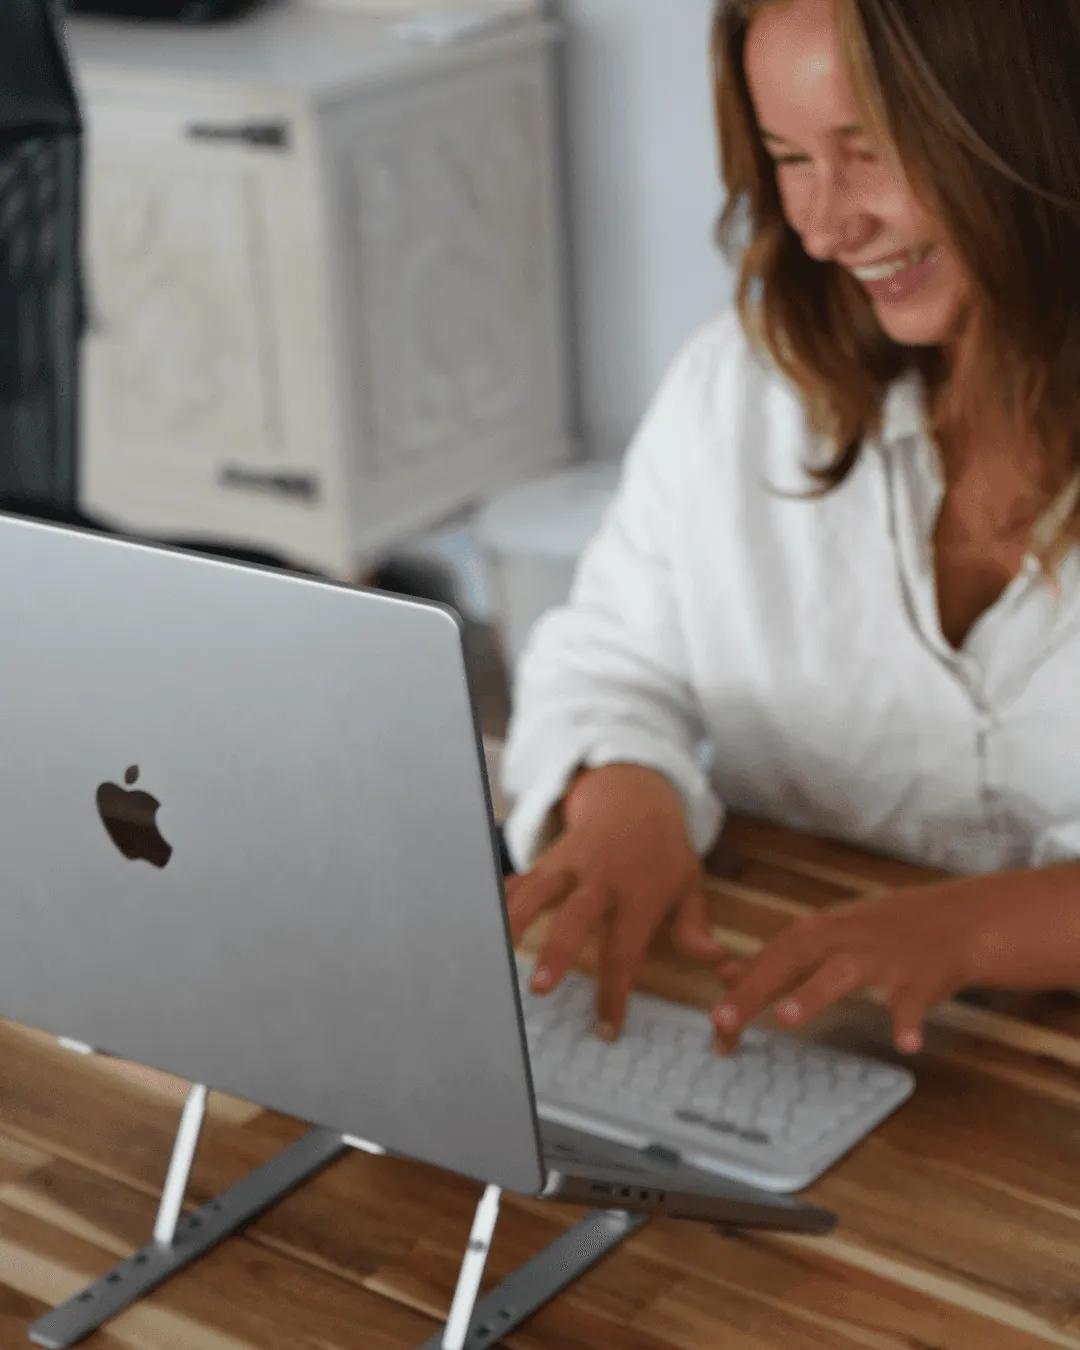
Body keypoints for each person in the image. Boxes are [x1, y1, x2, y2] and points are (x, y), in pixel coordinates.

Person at [498, 0, 1080, 1057]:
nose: (824, 225)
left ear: (1033, 125)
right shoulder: (741, 387)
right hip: (795, 1037)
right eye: (789, 160)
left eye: (869, 152)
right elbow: (608, 656)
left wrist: (971, 928)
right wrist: (623, 793)